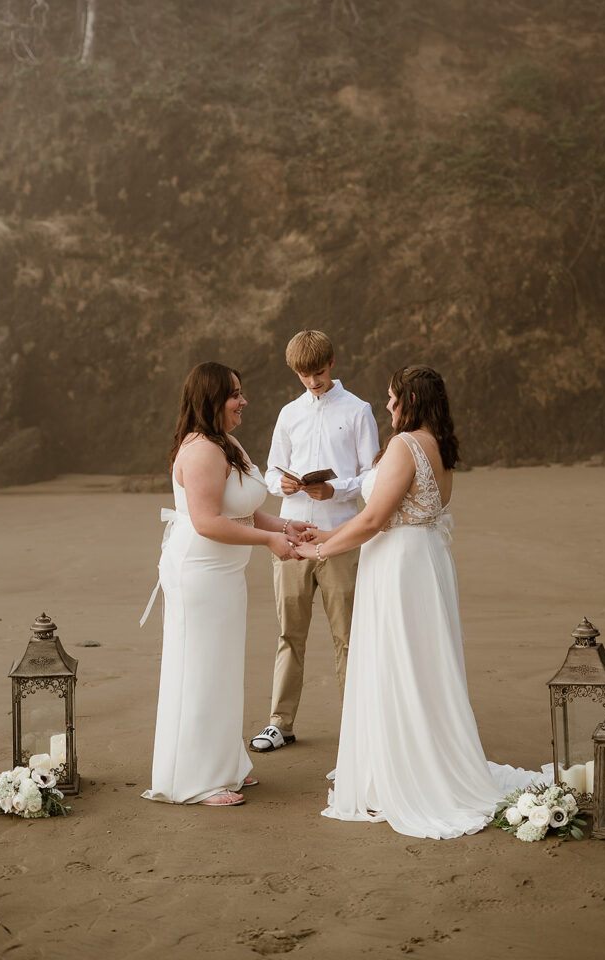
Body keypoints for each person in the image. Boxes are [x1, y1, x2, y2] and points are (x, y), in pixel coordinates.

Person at [296, 365, 550, 838]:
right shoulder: (439, 448)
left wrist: (319, 548)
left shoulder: (405, 445)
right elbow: (394, 514)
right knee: (420, 664)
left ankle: (403, 768)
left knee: (399, 663)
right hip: (422, 559)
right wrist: (329, 531)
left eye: (394, 399)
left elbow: (374, 520)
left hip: (399, 567)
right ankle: (417, 754)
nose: (388, 407)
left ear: (411, 401)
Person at [140, 362, 313, 807]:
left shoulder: (227, 443)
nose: (244, 401)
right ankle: (197, 780)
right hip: (199, 572)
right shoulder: (199, 451)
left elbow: (243, 509)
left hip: (225, 574)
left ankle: (224, 763)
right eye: (235, 394)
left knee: (222, 667)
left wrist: (285, 525)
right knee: (201, 667)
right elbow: (207, 522)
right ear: (212, 399)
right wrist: (270, 542)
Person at [249, 331, 379, 753]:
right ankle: (279, 723)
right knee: (290, 634)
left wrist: (335, 490)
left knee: (348, 636)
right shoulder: (289, 413)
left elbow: (372, 477)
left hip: (341, 535)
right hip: (291, 534)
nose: (312, 382)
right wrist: (282, 485)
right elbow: (270, 470)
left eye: (318, 373)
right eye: (304, 375)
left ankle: (356, 725)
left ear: (333, 363)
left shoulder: (359, 411)